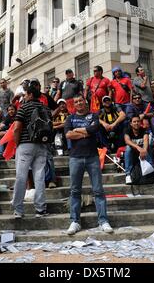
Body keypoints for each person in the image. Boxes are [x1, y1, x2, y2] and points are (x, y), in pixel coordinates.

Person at [64, 94, 113, 235]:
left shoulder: (93, 116)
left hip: (92, 157)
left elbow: (94, 129)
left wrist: (77, 131)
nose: (79, 103)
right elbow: (68, 135)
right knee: (75, 191)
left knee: (98, 191)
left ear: (85, 102)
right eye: (76, 101)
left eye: (81, 101)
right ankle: (75, 221)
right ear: (74, 104)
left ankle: (103, 221)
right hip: (75, 158)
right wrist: (86, 132)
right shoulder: (70, 118)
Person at [12, 86, 50, 218]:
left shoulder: (24, 107)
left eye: (25, 94)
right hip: (42, 145)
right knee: (39, 177)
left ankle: (18, 210)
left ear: (29, 94)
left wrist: (17, 144)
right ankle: (40, 209)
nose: (24, 96)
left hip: (25, 145)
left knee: (21, 177)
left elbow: (16, 128)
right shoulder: (45, 108)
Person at [124, 115, 150, 185]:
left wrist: (144, 150)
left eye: (138, 121)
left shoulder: (144, 130)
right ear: (131, 123)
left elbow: (146, 140)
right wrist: (138, 147)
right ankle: (128, 174)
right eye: (134, 122)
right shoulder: (127, 130)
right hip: (132, 153)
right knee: (128, 148)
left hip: (142, 155)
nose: (136, 123)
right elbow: (127, 141)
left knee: (148, 146)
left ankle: (152, 172)